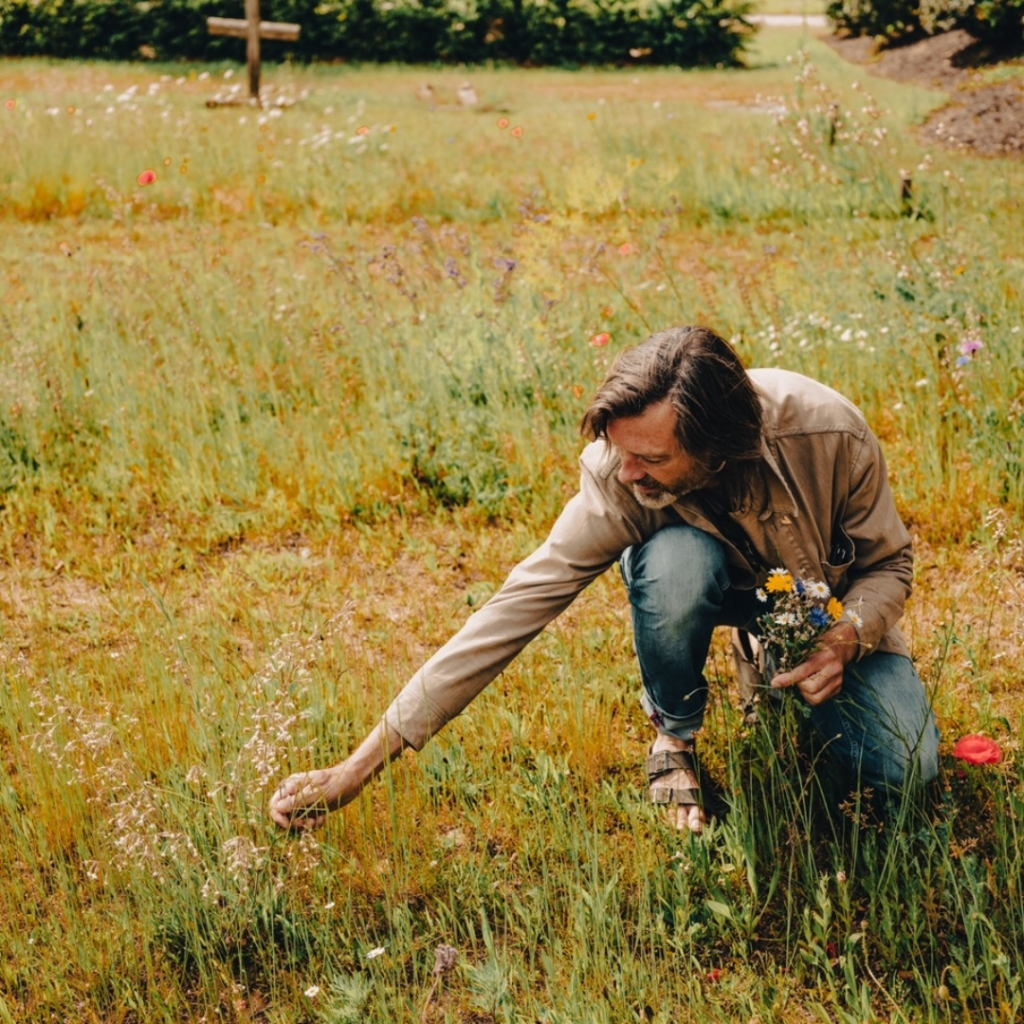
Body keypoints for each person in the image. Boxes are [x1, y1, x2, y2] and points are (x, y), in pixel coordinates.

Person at [270, 325, 939, 833]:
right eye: (620, 452)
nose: (627, 474)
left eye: (650, 458)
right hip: (701, 583)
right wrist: (356, 768)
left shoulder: (828, 432)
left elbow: (890, 565)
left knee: (906, 771)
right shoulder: (617, 476)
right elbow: (510, 612)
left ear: (720, 449)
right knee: (677, 561)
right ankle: (674, 736)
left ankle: (770, 658)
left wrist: (850, 635)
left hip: (818, 612)